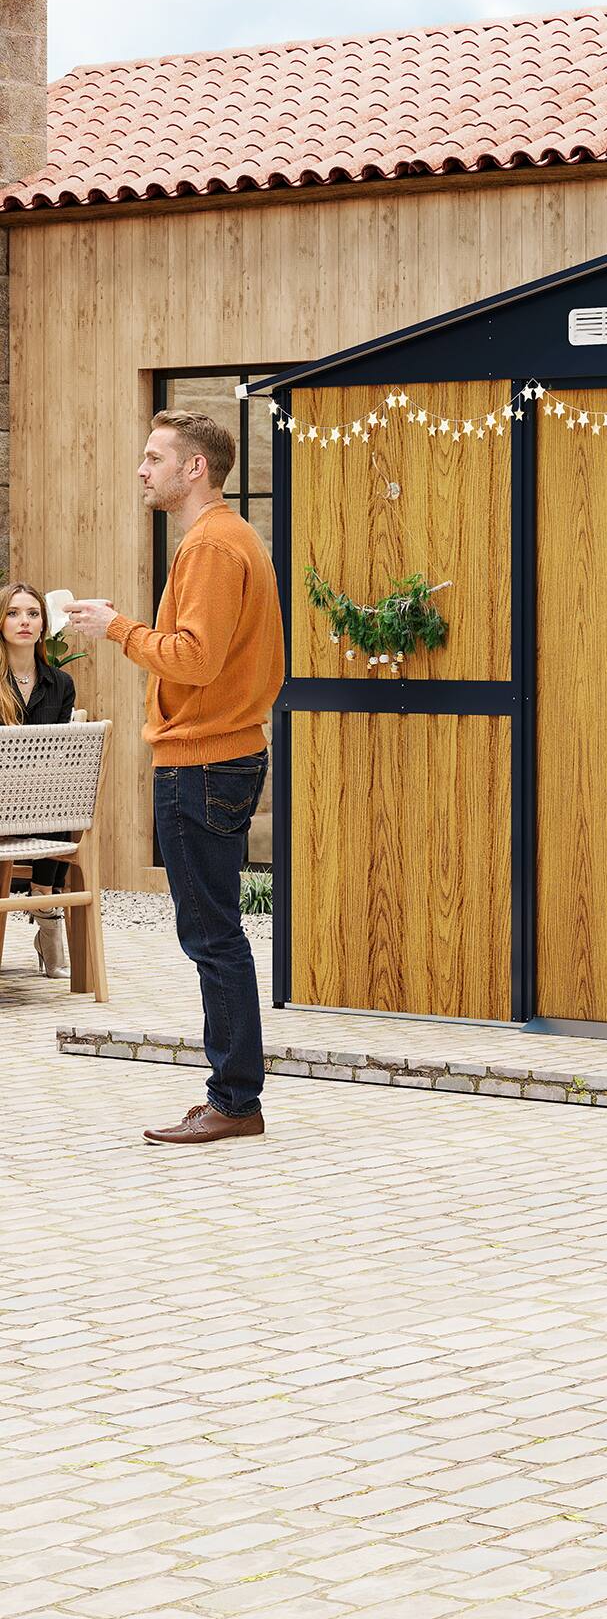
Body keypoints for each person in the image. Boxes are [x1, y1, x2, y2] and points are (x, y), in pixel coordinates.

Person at [66, 410, 284, 1145]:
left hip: (203, 762)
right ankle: (233, 1096)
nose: (142, 469)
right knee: (217, 932)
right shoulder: (224, 540)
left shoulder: (214, 546)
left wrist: (118, 629)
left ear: (196, 469)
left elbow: (194, 659)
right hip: (219, 755)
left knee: (212, 936)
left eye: (155, 457)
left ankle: (234, 1102)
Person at [1, 581, 80, 975]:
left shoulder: (60, 684)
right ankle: (47, 910)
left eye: (33, 613)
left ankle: (43, 898)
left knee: (60, 803)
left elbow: (60, 755)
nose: (24, 621)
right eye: (14, 613)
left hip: (40, 800)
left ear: (44, 624)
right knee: (57, 804)